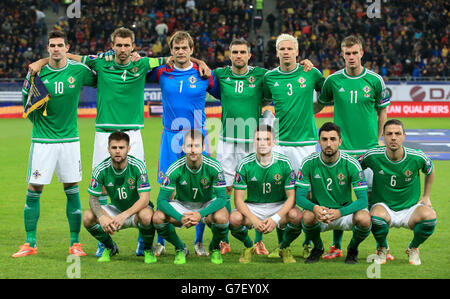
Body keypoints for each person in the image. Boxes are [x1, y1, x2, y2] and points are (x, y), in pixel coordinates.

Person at [27, 27, 165, 257]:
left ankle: (144, 241)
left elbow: (173, 58)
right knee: (99, 185)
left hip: (133, 132)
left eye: (126, 45)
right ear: (112, 45)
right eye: (118, 45)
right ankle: (104, 240)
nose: (122, 49)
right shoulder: (100, 62)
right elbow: (70, 57)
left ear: (133, 46)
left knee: (138, 184)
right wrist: (42, 61)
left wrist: (200, 62)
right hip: (103, 132)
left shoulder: (141, 64)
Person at [213, 38, 313, 256]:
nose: (238, 55)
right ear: (229, 55)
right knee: (226, 189)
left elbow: (282, 79)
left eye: (242, 52)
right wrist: (196, 62)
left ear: (250, 55)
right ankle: (222, 240)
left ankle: (260, 241)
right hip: (227, 139)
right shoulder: (220, 74)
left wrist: (304, 64)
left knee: (260, 187)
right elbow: (200, 74)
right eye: (234, 52)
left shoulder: (262, 75)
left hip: (253, 140)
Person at [12, 30, 96, 258]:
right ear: (47, 48)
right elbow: (25, 101)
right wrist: (37, 122)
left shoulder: (78, 71)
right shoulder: (37, 72)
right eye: (52, 45)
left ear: (67, 48)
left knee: (71, 190)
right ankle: (30, 243)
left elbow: (103, 74)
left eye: (60, 45)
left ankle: (75, 243)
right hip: (42, 141)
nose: (56, 48)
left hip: (69, 140)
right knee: (34, 188)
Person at [317, 35, 391, 259]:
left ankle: (382, 246)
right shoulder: (333, 81)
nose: (351, 57)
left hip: (368, 151)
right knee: (337, 199)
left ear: (362, 53)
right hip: (342, 152)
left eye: (355, 53)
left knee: (372, 201)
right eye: (347, 53)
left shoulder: (376, 80)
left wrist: (378, 141)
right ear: (342, 54)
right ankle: (337, 246)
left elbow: (383, 113)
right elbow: (319, 105)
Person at [148, 31, 220, 257]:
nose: (180, 51)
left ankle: (199, 242)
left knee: (203, 189)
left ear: (191, 50)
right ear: (171, 51)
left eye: (184, 48)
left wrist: (201, 63)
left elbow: (224, 94)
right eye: (176, 48)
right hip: (170, 137)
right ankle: (162, 241)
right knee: (166, 189)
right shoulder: (162, 71)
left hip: (197, 136)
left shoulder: (204, 74)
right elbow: (137, 66)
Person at [263, 33, 325, 257]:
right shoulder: (270, 78)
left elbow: (326, 96)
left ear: (297, 52)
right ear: (277, 52)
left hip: (306, 144)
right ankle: (284, 246)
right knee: (281, 196)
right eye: (282, 49)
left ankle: (310, 240)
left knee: (307, 196)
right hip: (280, 145)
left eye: (290, 49)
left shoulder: (311, 73)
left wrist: (310, 111)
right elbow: (262, 100)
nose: (286, 52)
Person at [359, 119, 437, 265]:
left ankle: (413, 248)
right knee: (375, 217)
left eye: (397, 133)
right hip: (384, 207)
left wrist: (426, 196)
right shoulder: (373, 155)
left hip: (410, 208)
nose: (393, 137)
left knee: (430, 217)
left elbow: (430, 170)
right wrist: (360, 194)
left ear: (404, 136)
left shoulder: (417, 157)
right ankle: (382, 248)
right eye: (389, 134)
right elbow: (354, 169)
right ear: (383, 136)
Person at [296, 122, 371, 264]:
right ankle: (318, 248)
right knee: (306, 216)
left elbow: (363, 200)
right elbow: (299, 197)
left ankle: (353, 249)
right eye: (324, 139)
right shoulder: (308, 163)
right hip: (321, 212)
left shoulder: (351, 164)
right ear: (319, 142)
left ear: (340, 141)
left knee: (365, 219)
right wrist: (315, 208)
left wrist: (340, 212)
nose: (328, 144)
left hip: (344, 211)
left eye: (333, 139)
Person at [152, 130, 229, 265]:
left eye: (197, 146)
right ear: (183, 148)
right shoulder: (174, 168)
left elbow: (222, 198)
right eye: (189, 146)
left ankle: (214, 247)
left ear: (203, 147)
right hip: (183, 205)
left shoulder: (214, 166)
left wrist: (200, 214)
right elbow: (161, 200)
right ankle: (180, 248)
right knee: (158, 218)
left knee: (222, 217)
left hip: (206, 204)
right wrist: (180, 217)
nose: (193, 150)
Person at [230, 124, 301, 264]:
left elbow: (292, 198)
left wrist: (275, 218)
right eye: (258, 139)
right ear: (253, 141)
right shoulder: (244, 164)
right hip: (254, 207)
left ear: (274, 142)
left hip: (278, 206)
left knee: (297, 216)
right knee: (234, 219)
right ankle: (249, 246)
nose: (262, 143)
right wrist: (254, 220)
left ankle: (284, 247)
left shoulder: (285, 163)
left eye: (267, 139)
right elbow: (238, 200)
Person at [83, 131, 156, 263]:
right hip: (115, 211)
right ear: (108, 149)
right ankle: (110, 247)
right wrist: (102, 216)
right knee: (88, 217)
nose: (118, 151)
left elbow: (145, 199)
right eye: (114, 148)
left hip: (136, 212)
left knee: (147, 216)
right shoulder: (101, 169)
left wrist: (125, 215)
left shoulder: (138, 166)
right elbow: (93, 199)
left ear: (128, 149)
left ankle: (148, 249)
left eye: (121, 148)